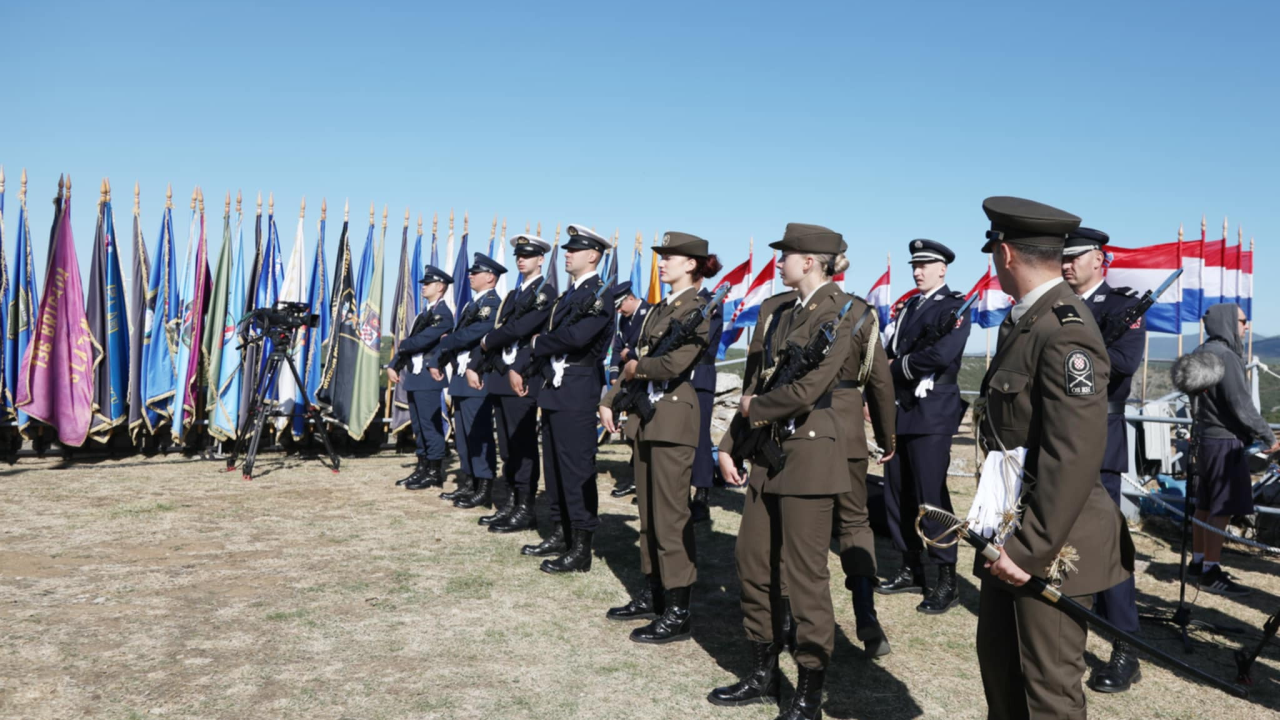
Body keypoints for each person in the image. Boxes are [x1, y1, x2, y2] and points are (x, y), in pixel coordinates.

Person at [973, 196, 1132, 720]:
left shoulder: (1063, 330)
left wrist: (1030, 548)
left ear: (1006, 253)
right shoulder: (1025, 321)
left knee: (1048, 695)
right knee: (1002, 678)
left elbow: (1074, 455)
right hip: (1008, 531)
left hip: (1049, 543)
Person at [710, 223, 853, 720]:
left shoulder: (848, 312)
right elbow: (756, 379)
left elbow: (809, 387)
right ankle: (762, 670)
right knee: (752, 564)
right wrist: (729, 443)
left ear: (810, 260)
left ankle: (809, 690)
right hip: (766, 455)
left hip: (811, 457)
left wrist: (753, 408)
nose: (780, 261)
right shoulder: (775, 310)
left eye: (787, 254)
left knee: (805, 576)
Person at [600, 232, 720, 644]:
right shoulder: (656, 309)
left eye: (670, 257)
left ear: (692, 264)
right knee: (649, 518)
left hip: (673, 421)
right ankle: (653, 595)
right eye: (662, 257)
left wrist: (636, 368)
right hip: (646, 419)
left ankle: (679, 610)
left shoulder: (702, 309)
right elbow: (629, 356)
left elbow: (674, 362)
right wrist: (611, 397)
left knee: (671, 519)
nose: (662, 262)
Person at [1061, 226, 1145, 692]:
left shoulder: (1122, 307)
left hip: (1100, 434)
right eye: (1063, 257)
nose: (1067, 264)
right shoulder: (1056, 304)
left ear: (1099, 260)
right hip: (1056, 434)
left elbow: (1123, 363)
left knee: (1106, 545)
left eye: (1076, 257)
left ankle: (1124, 644)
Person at [511, 224, 615, 573]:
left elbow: (576, 337)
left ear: (593, 255)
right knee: (554, 469)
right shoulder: (569, 295)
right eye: (567, 248)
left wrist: (539, 343)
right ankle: (560, 532)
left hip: (578, 389)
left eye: (574, 249)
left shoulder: (601, 294)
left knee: (576, 468)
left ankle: (581, 546)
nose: (566, 254)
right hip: (555, 390)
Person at [878, 239, 971, 615]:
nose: (918, 271)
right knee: (896, 492)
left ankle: (946, 578)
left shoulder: (955, 307)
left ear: (942, 269)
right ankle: (910, 568)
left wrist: (896, 368)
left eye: (926, 264)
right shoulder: (908, 306)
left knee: (930, 497)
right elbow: (889, 350)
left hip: (932, 413)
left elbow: (942, 355)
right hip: (901, 410)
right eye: (914, 264)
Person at [466, 234, 554, 533]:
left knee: (522, 444)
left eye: (528, 255)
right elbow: (503, 327)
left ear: (540, 259)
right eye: (518, 255)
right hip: (502, 375)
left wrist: (488, 340)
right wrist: (475, 363)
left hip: (524, 375)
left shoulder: (545, 292)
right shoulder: (513, 296)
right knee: (506, 446)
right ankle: (512, 501)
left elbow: (522, 328)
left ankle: (526, 508)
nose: (521, 260)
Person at [1191, 303, 1280, 596]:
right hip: (1225, 441)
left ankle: (1199, 562)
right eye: (1243, 321)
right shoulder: (1226, 357)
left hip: (1205, 438)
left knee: (1205, 504)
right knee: (1222, 507)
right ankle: (1211, 572)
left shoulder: (1201, 352)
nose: (1246, 326)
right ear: (1230, 322)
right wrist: (1268, 436)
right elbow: (1241, 404)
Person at [831, 284, 897, 657]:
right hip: (848, 428)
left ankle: (793, 620)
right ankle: (867, 617)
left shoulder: (789, 309)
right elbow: (879, 382)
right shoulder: (860, 312)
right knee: (855, 523)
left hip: (802, 432)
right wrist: (888, 436)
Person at [431, 254, 505, 508]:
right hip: (462, 376)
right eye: (471, 272)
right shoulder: (472, 304)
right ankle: (469, 482)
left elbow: (478, 332)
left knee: (479, 434)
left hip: (479, 375)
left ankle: (484, 487)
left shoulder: (493, 303)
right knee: (463, 435)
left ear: (490, 277)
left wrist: (447, 341)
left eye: (476, 272)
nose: (470, 276)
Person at [386, 265, 455, 490]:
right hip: (415, 375)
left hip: (428, 375)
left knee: (429, 424)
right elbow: (411, 342)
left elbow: (420, 341)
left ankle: (434, 471)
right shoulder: (423, 315)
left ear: (440, 287)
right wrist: (394, 364)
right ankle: (422, 467)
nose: (423, 287)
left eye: (428, 284)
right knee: (418, 425)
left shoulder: (443, 314)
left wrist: (404, 344)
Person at [607, 280, 650, 498]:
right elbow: (617, 348)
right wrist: (614, 375)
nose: (618, 311)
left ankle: (643, 482)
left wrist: (630, 353)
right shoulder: (624, 320)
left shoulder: (649, 313)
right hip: (628, 382)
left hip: (645, 382)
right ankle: (637, 480)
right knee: (631, 434)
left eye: (620, 306)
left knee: (641, 432)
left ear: (630, 299)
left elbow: (651, 346)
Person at [687, 282, 725, 523]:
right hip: (675, 378)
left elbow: (702, 343)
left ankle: (701, 493)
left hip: (699, 376)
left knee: (700, 438)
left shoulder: (712, 303)